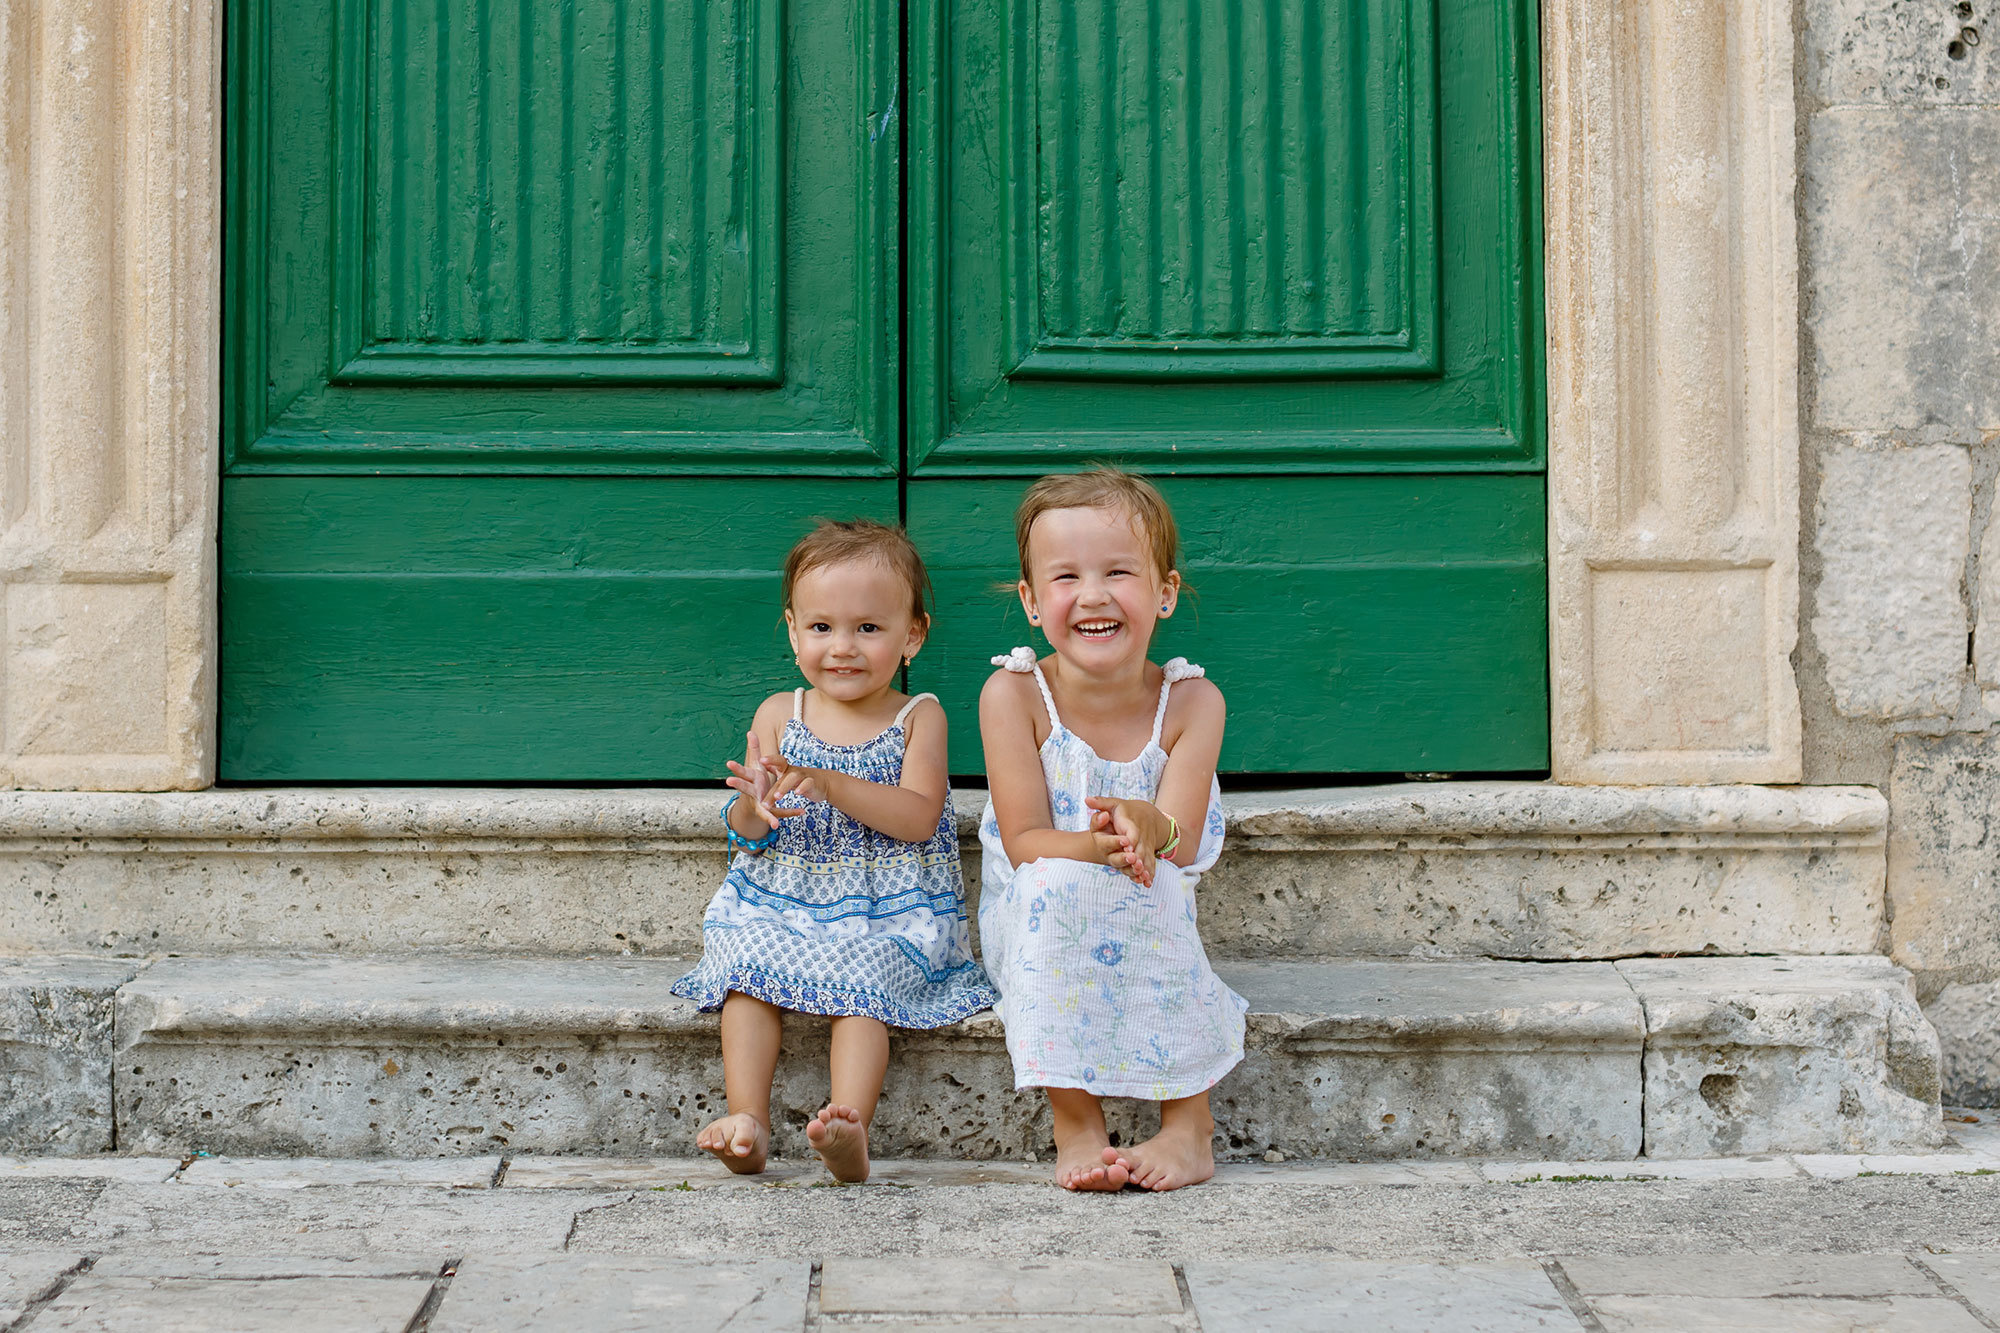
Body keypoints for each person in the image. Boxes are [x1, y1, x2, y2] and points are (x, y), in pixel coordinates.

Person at [672, 519, 996, 1183]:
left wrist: (827, 782)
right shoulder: (777, 714)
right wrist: (749, 807)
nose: (842, 647)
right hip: (785, 893)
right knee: (746, 969)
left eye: (868, 628)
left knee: (866, 983)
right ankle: (748, 1123)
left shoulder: (918, 716)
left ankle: (846, 1125)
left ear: (913, 634)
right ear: (793, 630)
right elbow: (751, 832)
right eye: (821, 628)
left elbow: (917, 816)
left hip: (892, 905)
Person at [978, 467, 1245, 1192]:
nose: (1092, 594)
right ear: (1032, 602)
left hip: (1144, 885)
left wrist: (1146, 824)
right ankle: (1077, 1119)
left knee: (1156, 882)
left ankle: (1189, 1122)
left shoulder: (1192, 702)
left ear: (1163, 592)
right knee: (1054, 883)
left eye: (1118, 572)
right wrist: (1098, 846)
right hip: (1041, 901)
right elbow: (1027, 836)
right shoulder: (1013, 695)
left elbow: (1181, 840)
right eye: (1066, 576)